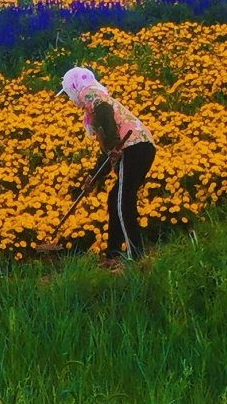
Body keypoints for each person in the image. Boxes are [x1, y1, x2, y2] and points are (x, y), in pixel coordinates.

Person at [57, 66, 156, 267]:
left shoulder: (91, 95)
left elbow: (106, 117)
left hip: (133, 146)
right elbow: (106, 152)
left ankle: (135, 257)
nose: (70, 98)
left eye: (69, 92)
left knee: (123, 201)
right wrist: (94, 177)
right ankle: (113, 254)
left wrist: (112, 145)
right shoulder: (94, 100)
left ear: (75, 86)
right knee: (116, 198)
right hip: (141, 147)